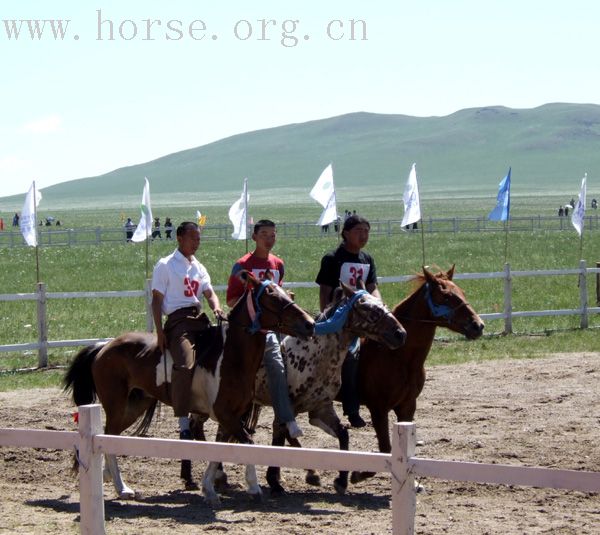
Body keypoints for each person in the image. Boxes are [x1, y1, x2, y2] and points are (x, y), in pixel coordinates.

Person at [226, 219, 303, 439]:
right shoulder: (242, 265)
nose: (269, 239)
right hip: (253, 330)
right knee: (276, 365)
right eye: (264, 234)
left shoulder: (278, 264)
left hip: (275, 326)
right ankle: (287, 418)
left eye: (273, 235)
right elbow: (231, 300)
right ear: (254, 237)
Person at [151, 221, 224, 440]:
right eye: (193, 238)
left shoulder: (199, 267)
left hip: (199, 320)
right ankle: (183, 422)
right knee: (185, 365)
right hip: (178, 322)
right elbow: (156, 301)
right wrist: (160, 332)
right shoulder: (165, 265)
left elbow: (210, 293)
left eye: (199, 239)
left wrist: (217, 307)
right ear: (180, 238)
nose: (196, 243)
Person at [315, 214, 381, 428]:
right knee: (350, 357)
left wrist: (379, 306)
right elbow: (325, 291)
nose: (363, 235)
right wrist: (328, 318)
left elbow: (372, 287)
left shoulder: (367, 259)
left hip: (363, 317)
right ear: (345, 233)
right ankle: (352, 410)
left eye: (366, 231)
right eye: (358, 231)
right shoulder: (332, 258)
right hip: (340, 319)